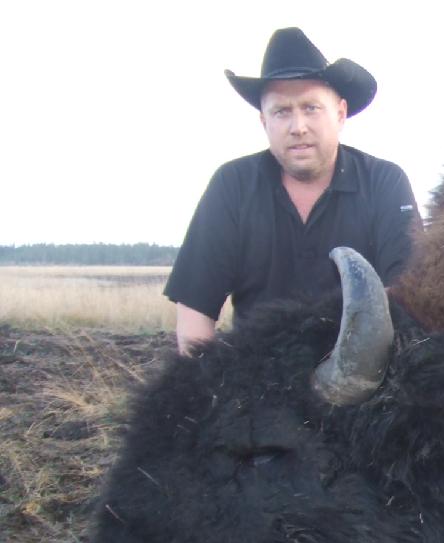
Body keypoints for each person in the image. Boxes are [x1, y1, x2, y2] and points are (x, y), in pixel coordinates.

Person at [164, 27, 420, 354]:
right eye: (282, 111)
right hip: (256, 380)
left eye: (311, 107)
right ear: (264, 121)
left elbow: (406, 299)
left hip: (361, 378)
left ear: (340, 114)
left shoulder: (386, 182)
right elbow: (195, 313)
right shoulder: (231, 186)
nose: (297, 127)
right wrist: (205, 390)